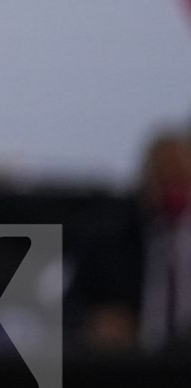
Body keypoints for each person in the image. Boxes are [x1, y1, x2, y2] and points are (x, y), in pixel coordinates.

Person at [72, 129, 191, 352]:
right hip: (132, 364)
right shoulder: (108, 244)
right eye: (164, 179)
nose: (173, 189)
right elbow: (71, 308)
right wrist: (94, 321)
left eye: (181, 178)